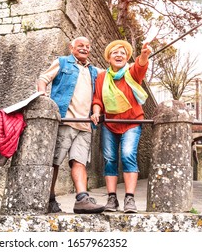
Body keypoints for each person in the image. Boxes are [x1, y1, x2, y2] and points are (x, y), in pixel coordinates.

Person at [37, 36, 105, 214]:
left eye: (87, 46)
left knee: (79, 161)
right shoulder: (62, 62)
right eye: (80, 46)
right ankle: (49, 199)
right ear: (71, 47)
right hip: (65, 121)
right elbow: (43, 79)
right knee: (55, 162)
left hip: (85, 125)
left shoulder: (94, 71)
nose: (84, 49)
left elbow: (113, 76)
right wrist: (43, 96)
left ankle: (82, 199)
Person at [90, 40, 151, 213]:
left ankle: (129, 199)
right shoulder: (102, 77)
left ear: (127, 58)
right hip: (110, 123)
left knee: (127, 155)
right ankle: (112, 199)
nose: (119, 55)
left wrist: (144, 54)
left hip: (131, 122)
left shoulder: (131, 73)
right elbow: (97, 99)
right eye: (115, 53)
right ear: (108, 58)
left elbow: (141, 66)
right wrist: (96, 112)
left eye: (122, 53)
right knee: (109, 160)